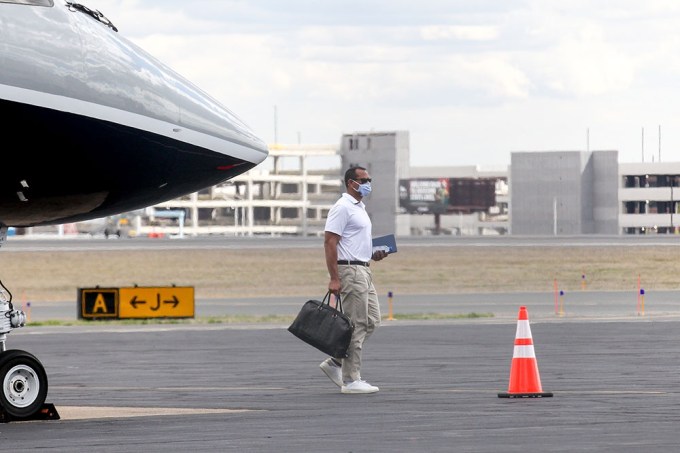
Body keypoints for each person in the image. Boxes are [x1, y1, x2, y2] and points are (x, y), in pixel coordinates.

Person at [319, 166, 388, 394]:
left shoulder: (359, 208)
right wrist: (334, 278)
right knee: (356, 324)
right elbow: (330, 242)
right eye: (364, 179)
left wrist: (373, 253)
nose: (368, 183)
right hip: (350, 271)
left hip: (364, 269)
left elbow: (355, 242)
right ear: (351, 183)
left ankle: (336, 362)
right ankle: (350, 380)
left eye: (370, 178)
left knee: (372, 321)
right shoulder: (342, 208)